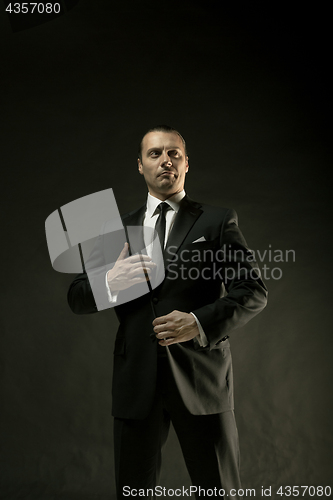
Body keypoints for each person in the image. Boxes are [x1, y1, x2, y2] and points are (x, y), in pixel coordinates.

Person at [67, 125, 268, 499]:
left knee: (218, 491)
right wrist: (109, 281)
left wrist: (197, 322)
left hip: (201, 378)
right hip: (135, 382)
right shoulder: (116, 230)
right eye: (155, 153)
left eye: (174, 153)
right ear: (140, 166)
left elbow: (252, 291)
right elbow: (77, 295)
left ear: (187, 164)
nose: (166, 160)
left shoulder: (217, 221)